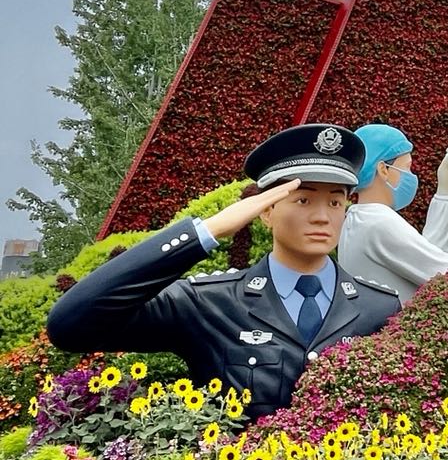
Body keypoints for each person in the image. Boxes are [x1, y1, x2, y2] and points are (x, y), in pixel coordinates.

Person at [47, 125, 401, 420]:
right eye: (303, 200)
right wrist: (207, 231)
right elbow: (71, 326)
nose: (323, 217)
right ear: (265, 211)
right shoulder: (210, 302)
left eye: (335, 201)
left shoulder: (378, 307)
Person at [338, 124, 448, 305]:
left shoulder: (358, 218)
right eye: (407, 168)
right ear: (383, 170)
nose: (411, 176)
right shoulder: (379, 222)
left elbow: (429, 261)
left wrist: (445, 192)